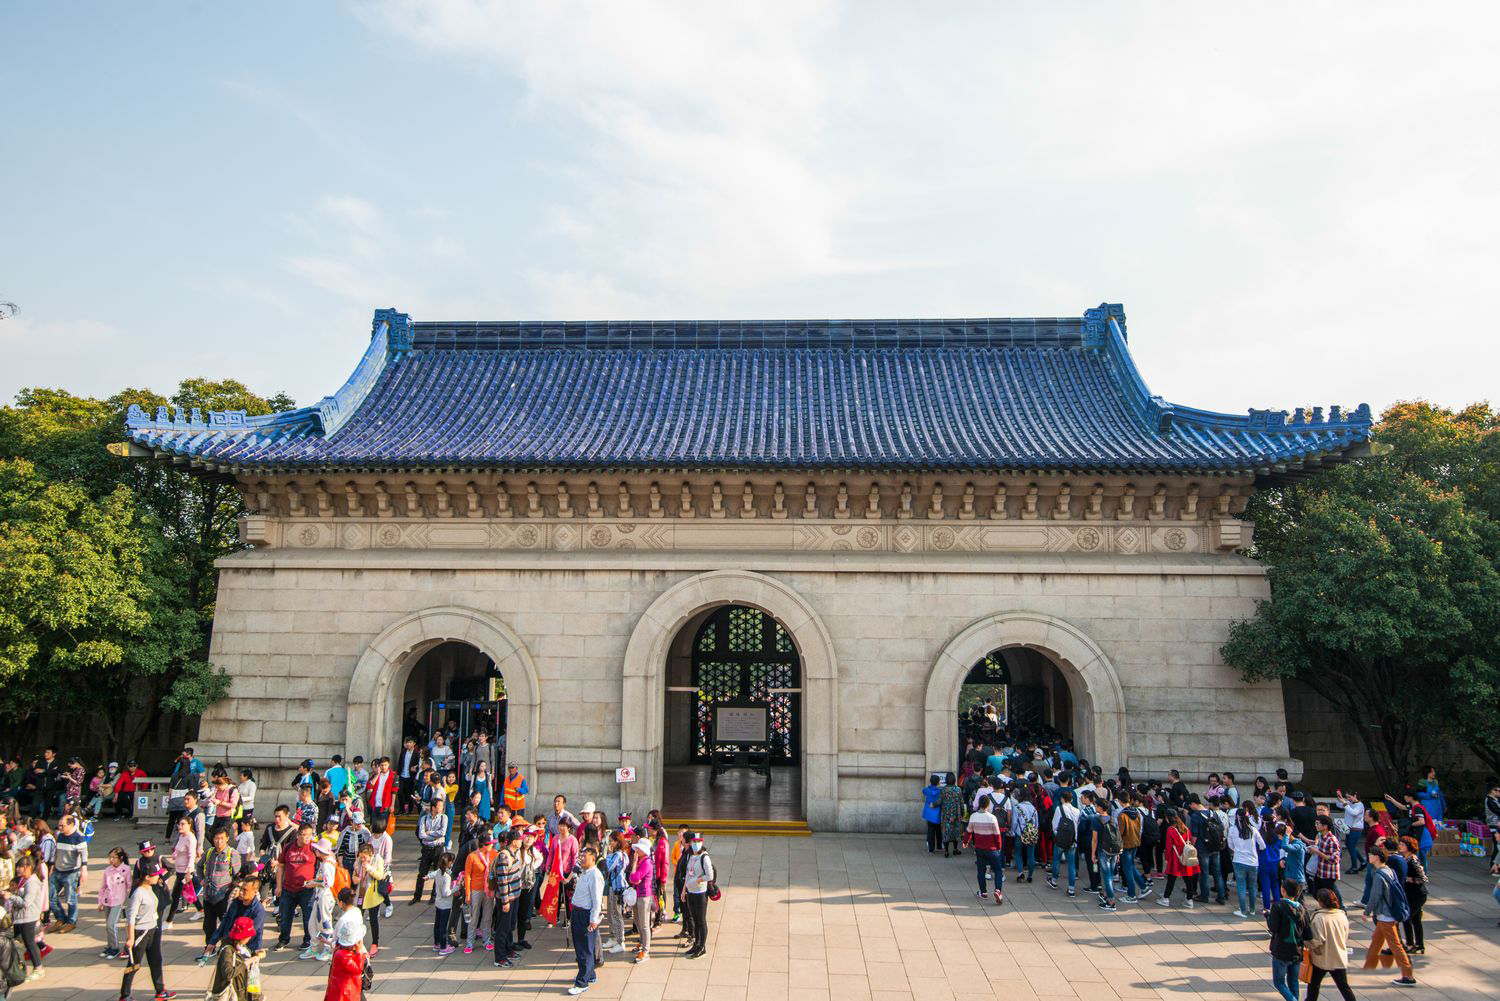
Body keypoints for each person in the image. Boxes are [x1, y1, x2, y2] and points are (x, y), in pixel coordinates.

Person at [1362, 848, 1416, 986]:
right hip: (1388, 914)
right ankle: (1368, 968)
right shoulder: (1389, 870)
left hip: (1385, 915)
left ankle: (1407, 975)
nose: (1368, 856)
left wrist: (1366, 912)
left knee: (1396, 946)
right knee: (1376, 941)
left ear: (1377, 857)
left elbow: (1375, 896)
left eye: (1371, 854)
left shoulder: (1379, 875)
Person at [121, 860, 171, 1001]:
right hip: (141, 932)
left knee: (156, 960)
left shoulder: (150, 888)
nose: (158, 877)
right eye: (155, 875)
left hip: (152, 930)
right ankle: (125, 995)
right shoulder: (138, 894)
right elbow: (131, 918)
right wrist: (131, 938)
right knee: (134, 964)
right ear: (147, 877)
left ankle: (160, 991)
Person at [1305, 887, 1357, 1001]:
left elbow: (1316, 941)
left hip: (1322, 958)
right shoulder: (1341, 915)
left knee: (1313, 985)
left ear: (1320, 902)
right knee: (1344, 986)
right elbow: (1345, 935)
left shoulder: (1319, 917)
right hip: (1338, 956)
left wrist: (1305, 943)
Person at [273, 824, 318, 953]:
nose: (307, 838)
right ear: (298, 835)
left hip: (306, 889)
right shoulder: (288, 848)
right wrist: (279, 886)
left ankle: (307, 940)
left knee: (307, 916)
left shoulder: (314, 848)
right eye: (304, 835)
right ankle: (283, 939)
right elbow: (280, 866)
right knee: (285, 916)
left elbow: (327, 858)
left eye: (309, 835)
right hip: (288, 888)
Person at [567, 847, 603, 996]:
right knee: (582, 946)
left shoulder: (595, 875)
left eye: (585, 857)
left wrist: (594, 919)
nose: (582, 860)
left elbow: (597, 899)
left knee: (584, 950)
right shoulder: (584, 872)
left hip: (585, 914)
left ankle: (582, 982)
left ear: (593, 859)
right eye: (581, 857)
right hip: (577, 911)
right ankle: (590, 974)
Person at [1266, 878, 1309, 1001]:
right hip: (1297, 950)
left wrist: (1268, 917)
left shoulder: (1278, 906)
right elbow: (1308, 933)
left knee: (1279, 982)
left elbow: (1273, 927)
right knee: (1293, 981)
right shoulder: (1302, 909)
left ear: (1283, 890)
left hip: (1281, 950)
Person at [3, 856, 45, 983]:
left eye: (20, 868)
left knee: (29, 943)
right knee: (19, 943)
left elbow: (26, 903)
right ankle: (18, 968)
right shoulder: (24, 880)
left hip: (28, 918)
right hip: (20, 918)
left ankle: (38, 968)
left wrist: (10, 897)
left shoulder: (32, 882)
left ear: (28, 868)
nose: (18, 870)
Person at [45, 812, 87, 933]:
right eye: (59, 825)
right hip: (57, 870)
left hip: (71, 872)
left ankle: (71, 921)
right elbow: (56, 851)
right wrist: (52, 865)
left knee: (70, 898)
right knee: (51, 896)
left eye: (62, 825)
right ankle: (60, 918)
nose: (60, 828)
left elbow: (84, 853)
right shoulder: (61, 835)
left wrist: (84, 868)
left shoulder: (78, 837)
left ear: (71, 825)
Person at [490, 828, 523, 968]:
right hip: (507, 899)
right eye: (520, 839)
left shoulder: (514, 853)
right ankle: (500, 957)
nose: (522, 841)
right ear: (514, 841)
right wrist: (505, 901)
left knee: (509, 926)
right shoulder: (504, 857)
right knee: (502, 928)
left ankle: (509, 950)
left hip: (514, 896)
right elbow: (503, 881)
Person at [1228, 805, 1267, 919]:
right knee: (1252, 886)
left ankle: (1243, 910)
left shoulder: (1233, 829)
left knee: (1241, 886)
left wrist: (1237, 850)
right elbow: (1262, 845)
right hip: (1253, 862)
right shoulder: (1253, 829)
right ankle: (1253, 909)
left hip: (1239, 860)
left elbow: (1230, 845)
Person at [964, 797, 1004, 905]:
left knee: (981, 870)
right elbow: (997, 834)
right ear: (988, 805)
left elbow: (969, 832)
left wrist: (965, 842)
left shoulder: (973, 816)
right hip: (992, 849)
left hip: (980, 848)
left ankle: (983, 892)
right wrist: (999, 846)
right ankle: (998, 890)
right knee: (998, 870)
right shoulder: (992, 818)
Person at [1156, 809, 1199, 909]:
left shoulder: (1171, 830)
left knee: (1171, 878)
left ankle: (1166, 898)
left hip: (1176, 857)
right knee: (1188, 879)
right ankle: (1189, 900)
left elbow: (1168, 846)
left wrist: (1166, 859)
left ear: (1168, 818)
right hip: (1186, 856)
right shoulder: (1185, 828)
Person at [681, 831, 714, 959]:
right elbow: (687, 874)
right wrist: (684, 890)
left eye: (698, 842)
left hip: (700, 893)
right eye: (694, 842)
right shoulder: (690, 855)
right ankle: (696, 944)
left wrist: (698, 879)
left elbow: (709, 875)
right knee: (694, 919)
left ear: (702, 842)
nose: (695, 844)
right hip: (691, 892)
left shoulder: (704, 857)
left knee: (701, 920)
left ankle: (702, 947)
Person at [322, 908, 367, 1001]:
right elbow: (357, 970)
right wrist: (360, 953)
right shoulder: (344, 955)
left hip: (340, 989)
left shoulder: (341, 949)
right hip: (345, 992)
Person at [411, 798, 449, 904]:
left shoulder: (443, 818)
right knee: (422, 873)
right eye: (439, 806)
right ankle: (417, 896)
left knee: (438, 872)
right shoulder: (424, 819)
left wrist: (429, 833)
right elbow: (421, 835)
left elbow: (442, 833)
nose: (441, 808)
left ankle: (434, 896)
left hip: (438, 848)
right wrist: (432, 835)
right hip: (427, 849)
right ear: (433, 808)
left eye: (442, 806)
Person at [97, 846, 132, 959]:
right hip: (107, 900)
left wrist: (128, 900)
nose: (111, 860)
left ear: (120, 858)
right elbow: (103, 887)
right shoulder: (108, 870)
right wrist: (100, 901)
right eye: (110, 857)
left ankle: (115, 948)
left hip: (118, 901)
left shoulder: (125, 869)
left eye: (113, 857)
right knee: (108, 926)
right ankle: (110, 946)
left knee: (111, 924)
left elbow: (129, 885)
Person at [1394, 836, 1428, 954]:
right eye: (1400, 844)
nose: (1399, 846)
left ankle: (1410, 944)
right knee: (1416, 920)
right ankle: (1419, 945)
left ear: (1409, 847)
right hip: (1410, 894)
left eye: (1402, 845)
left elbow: (1423, 878)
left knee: (1407, 918)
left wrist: (1407, 879)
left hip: (1417, 894)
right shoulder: (1404, 858)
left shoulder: (1413, 860)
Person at [353, 843, 386, 957]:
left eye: (364, 857)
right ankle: (358, 943)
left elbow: (380, 876)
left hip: (372, 894)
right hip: (360, 894)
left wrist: (369, 868)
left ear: (370, 854)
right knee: (357, 919)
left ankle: (374, 943)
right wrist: (355, 878)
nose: (362, 859)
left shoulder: (377, 860)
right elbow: (354, 874)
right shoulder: (357, 862)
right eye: (360, 856)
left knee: (373, 919)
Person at [431, 852, 456, 955]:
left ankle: (436, 944)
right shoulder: (447, 877)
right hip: (445, 904)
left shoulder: (438, 872)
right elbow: (446, 893)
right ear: (449, 862)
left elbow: (432, 875)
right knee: (443, 926)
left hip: (438, 902)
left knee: (437, 924)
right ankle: (443, 947)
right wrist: (456, 888)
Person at [921, 775, 943, 854]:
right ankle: (939, 845)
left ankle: (931, 849)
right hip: (938, 814)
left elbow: (923, 791)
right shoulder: (941, 791)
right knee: (939, 830)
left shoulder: (927, 790)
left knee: (930, 831)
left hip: (929, 813)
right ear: (938, 782)